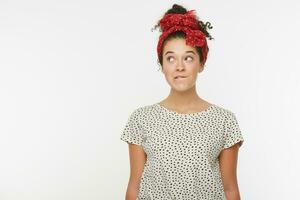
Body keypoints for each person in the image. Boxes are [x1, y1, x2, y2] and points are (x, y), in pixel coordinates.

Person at [120, 4, 245, 200]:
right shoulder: (141, 119)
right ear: (162, 65)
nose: (179, 67)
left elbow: (230, 189)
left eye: (188, 58)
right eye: (170, 59)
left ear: (201, 63)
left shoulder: (224, 121)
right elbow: (134, 187)